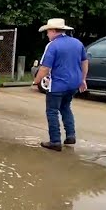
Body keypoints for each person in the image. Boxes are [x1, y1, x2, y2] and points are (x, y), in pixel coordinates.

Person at [32, 18, 88, 151]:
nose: (47, 35)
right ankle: (71, 135)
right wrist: (83, 79)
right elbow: (84, 62)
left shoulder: (52, 45)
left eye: (47, 31)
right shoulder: (77, 43)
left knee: (52, 111)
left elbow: (45, 67)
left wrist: (36, 81)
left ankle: (55, 141)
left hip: (57, 85)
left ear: (52, 31)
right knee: (66, 108)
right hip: (73, 84)